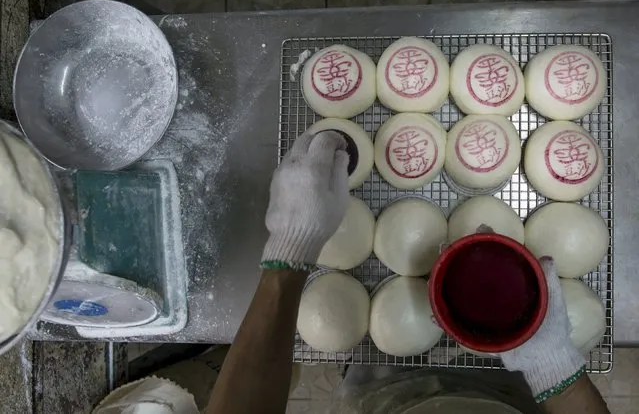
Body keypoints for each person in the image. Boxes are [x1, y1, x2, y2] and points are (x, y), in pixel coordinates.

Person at [207, 131, 610, 414]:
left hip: (379, 402)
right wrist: (554, 367)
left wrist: (290, 250)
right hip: (523, 396)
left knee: (378, 361)